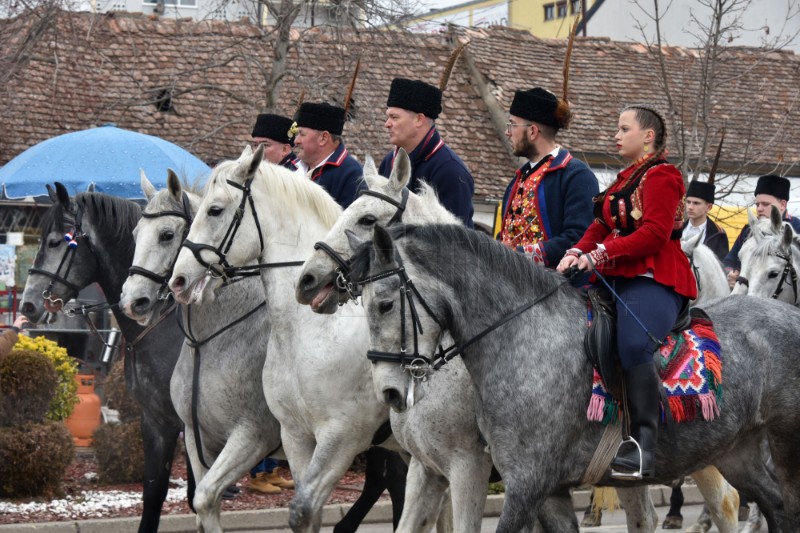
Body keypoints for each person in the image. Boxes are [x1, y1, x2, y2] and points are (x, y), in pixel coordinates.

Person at [557, 104, 697, 478]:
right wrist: (575, 252)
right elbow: (600, 225)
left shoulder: (663, 176)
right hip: (616, 272)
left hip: (655, 276)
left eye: (623, 128)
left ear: (647, 136)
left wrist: (600, 255)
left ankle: (642, 445)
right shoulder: (622, 181)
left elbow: (653, 233)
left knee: (634, 343)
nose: (616, 135)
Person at [497, 87, 598, 267]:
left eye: (512, 124)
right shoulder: (518, 179)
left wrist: (517, 256)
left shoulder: (576, 175)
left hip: (556, 288)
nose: (508, 132)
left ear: (533, 131)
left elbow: (579, 238)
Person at [378, 78, 475, 227]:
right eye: (388, 117)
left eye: (394, 117)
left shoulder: (451, 171)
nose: (387, 124)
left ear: (419, 120)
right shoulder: (388, 162)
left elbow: (455, 241)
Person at [723, 174, 800, 288]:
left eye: (765, 204)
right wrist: (730, 273)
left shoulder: (797, 228)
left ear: (782, 205)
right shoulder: (748, 230)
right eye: (757, 204)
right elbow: (729, 260)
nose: (759, 209)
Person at [292, 102, 365, 208]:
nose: (296, 141)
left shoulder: (351, 174)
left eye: (302, 134)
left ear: (323, 138)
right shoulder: (293, 167)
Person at [681, 180, 729, 260]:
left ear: (709, 207)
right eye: (688, 202)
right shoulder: (675, 230)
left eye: (696, 203)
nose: (690, 207)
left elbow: (721, 265)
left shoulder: (718, 234)